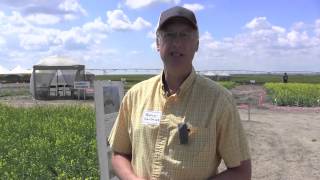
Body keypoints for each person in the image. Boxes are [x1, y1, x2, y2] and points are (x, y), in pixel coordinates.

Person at [108, 6, 251, 180]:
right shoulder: (135, 95)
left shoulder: (219, 101)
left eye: (184, 35)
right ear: (158, 43)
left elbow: (241, 172)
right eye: (169, 34)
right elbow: (119, 154)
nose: (176, 43)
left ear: (197, 44)